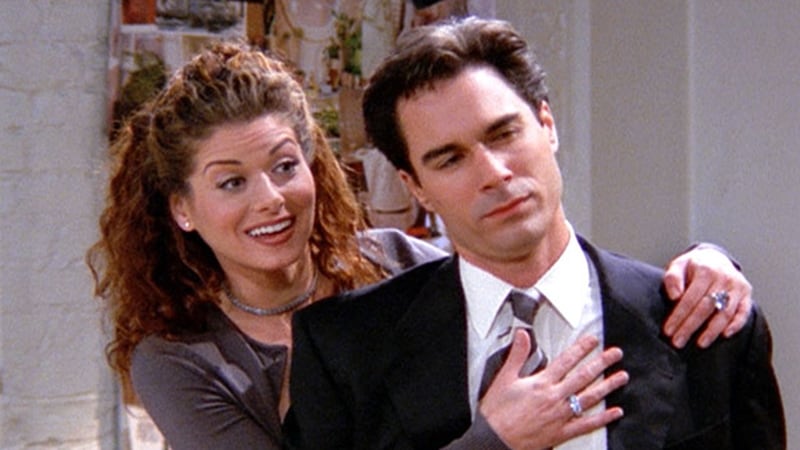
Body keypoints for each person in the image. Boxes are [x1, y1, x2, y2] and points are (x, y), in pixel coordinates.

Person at [87, 40, 751, 449]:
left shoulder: (397, 262)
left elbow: (534, 261)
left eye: (285, 167)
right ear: (181, 208)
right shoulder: (181, 359)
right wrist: (496, 440)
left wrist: (706, 264)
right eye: (231, 182)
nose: (270, 200)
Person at [284, 17, 785, 449]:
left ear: (547, 125)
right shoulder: (344, 351)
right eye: (450, 159)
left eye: (504, 133)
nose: (493, 172)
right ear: (416, 187)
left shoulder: (706, 328)